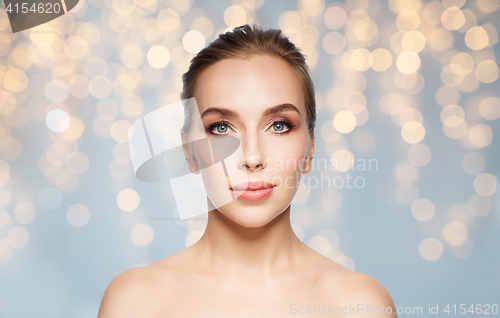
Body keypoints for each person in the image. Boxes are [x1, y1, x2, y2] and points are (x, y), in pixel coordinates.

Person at [97, 24, 396, 317]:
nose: (252, 157)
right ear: (189, 151)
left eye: (279, 126)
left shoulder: (360, 305)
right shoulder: (135, 302)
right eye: (222, 128)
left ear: (310, 148)